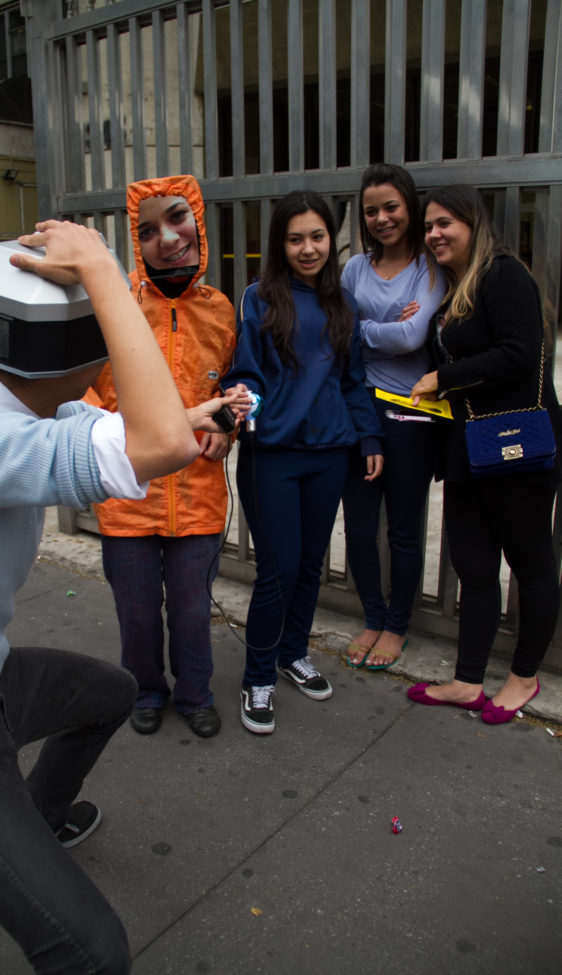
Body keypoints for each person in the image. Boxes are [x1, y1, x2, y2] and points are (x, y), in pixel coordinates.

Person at [0, 219, 246, 974]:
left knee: (111, 692)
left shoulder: (24, 401)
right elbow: (157, 447)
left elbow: (140, 429)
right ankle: (10, 837)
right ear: (72, 347)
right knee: (93, 953)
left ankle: (35, 819)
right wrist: (100, 268)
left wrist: (196, 414)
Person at [223, 190, 384, 735]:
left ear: (330, 240)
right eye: (296, 239)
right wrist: (243, 399)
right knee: (279, 568)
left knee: (311, 563)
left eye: (317, 237)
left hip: (330, 453)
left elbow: (353, 380)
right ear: (280, 243)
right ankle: (257, 677)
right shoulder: (258, 298)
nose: (308, 248)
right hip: (272, 455)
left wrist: (369, 438)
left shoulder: (343, 303)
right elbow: (245, 369)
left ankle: (292, 653)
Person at [85, 174, 240, 739]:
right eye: (147, 230)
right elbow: (83, 394)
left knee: (193, 608)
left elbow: (234, 387)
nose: (167, 238)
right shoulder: (113, 306)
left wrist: (230, 427)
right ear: (134, 240)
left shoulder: (221, 310)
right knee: (136, 607)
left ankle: (195, 693)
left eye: (177, 218)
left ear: (198, 221)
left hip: (198, 496)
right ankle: (145, 690)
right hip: (126, 494)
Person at [409, 184, 562, 724]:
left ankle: (523, 677)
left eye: (445, 223)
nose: (434, 234)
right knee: (474, 568)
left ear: (474, 223)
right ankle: (467, 681)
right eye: (428, 227)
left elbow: (519, 354)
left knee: (530, 565)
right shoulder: (456, 290)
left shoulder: (503, 274)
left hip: (517, 448)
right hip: (468, 450)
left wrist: (442, 377)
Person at [341, 163, 446, 670]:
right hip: (360, 409)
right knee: (360, 527)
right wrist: (382, 324)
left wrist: (364, 326)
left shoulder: (430, 268)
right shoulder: (354, 269)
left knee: (403, 529)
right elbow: (339, 335)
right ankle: (372, 616)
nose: (381, 218)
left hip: (412, 413)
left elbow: (412, 337)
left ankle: (397, 626)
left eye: (391, 207)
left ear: (410, 206)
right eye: (371, 211)